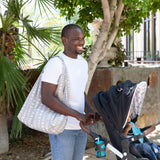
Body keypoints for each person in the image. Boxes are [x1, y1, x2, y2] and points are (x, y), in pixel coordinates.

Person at [41, 24, 100, 160]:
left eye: (82, 38)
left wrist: (89, 110)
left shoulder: (83, 63)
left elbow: (80, 91)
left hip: (81, 128)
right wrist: (77, 115)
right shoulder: (56, 63)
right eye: (76, 39)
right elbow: (46, 97)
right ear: (65, 40)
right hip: (62, 128)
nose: (81, 42)